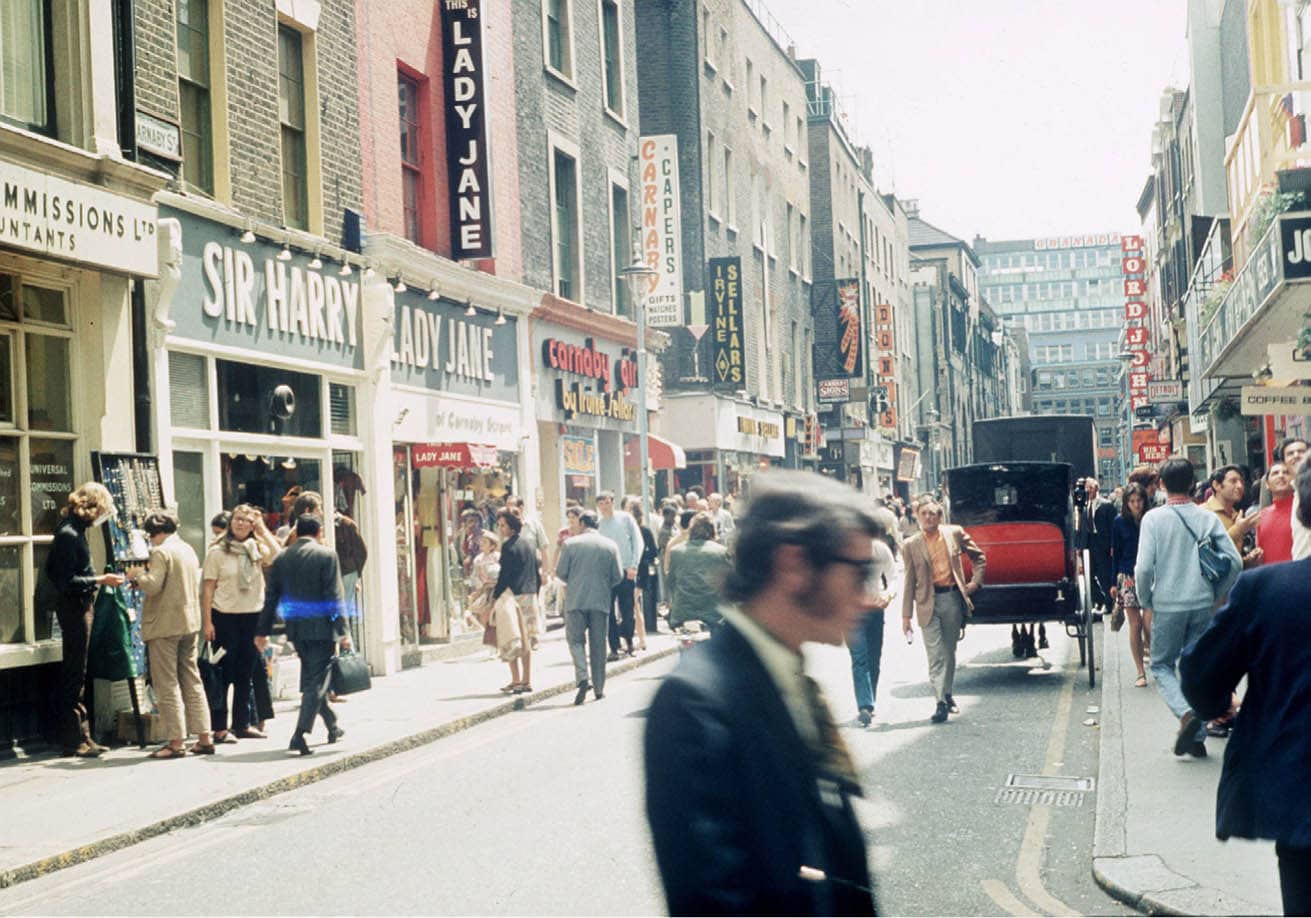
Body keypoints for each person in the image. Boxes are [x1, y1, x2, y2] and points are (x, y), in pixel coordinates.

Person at [645, 472, 880, 914]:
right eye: (858, 573)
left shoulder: (793, 679)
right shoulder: (694, 704)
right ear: (794, 564)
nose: (867, 597)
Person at [1180, 468, 1311, 917]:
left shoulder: (1265, 590)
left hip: (1300, 791)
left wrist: (1219, 704)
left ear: (1301, 515)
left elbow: (1200, 673)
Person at [1134, 457, 1241, 757]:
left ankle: (1186, 715)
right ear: (1194, 484)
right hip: (1201, 604)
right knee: (1194, 665)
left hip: (1167, 604)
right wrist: (1216, 594)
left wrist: (1147, 600)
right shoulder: (1206, 518)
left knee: (1161, 665)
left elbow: (1143, 569)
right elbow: (1233, 562)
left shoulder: (1153, 519)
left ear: (1163, 485)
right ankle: (1196, 738)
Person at [257, 514, 349, 755]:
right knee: (316, 682)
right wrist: (342, 631)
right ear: (319, 532)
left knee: (312, 680)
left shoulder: (282, 558)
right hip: (322, 630)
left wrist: (263, 631)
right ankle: (300, 734)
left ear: (296, 532)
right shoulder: (327, 555)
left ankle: (332, 725)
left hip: (296, 629)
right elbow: (333, 597)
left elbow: (271, 598)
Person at [47, 483, 124, 758]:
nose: (104, 514)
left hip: (80, 606)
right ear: (93, 506)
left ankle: (84, 736)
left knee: (79, 672)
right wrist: (99, 580)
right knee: (74, 673)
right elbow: (63, 580)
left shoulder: (75, 530)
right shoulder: (69, 533)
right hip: (74, 608)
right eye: (103, 508)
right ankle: (72, 740)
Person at [131, 512, 214, 758]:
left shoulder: (161, 552)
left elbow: (154, 584)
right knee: (191, 679)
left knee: (166, 683)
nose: (151, 540)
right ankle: (204, 736)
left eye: (150, 535)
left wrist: (137, 576)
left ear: (156, 532)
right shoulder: (186, 548)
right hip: (189, 622)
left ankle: (176, 742)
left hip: (165, 626)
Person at [901, 495, 986, 723]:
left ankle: (947, 693)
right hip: (927, 603)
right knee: (935, 655)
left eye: (933, 514)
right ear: (918, 516)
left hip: (951, 599)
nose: (929, 518)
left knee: (948, 653)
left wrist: (974, 583)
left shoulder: (954, 533)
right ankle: (940, 702)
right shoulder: (910, 545)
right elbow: (909, 582)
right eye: (924, 514)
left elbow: (979, 558)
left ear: (940, 516)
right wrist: (906, 615)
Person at [201, 504, 281, 743]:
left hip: (252, 617)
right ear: (230, 522)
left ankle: (242, 724)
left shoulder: (256, 548)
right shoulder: (217, 552)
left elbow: (278, 554)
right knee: (222, 674)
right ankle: (219, 728)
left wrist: (263, 528)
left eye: (247, 521)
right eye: (237, 519)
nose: (240, 523)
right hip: (223, 617)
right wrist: (207, 622)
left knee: (246, 672)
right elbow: (207, 590)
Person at [554, 510, 622, 705]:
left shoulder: (570, 544)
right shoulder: (610, 546)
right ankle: (599, 689)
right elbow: (617, 576)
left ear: (583, 523)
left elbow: (561, 572)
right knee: (599, 645)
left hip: (575, 600)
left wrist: (575, 582)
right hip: (600, 601)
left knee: (575, 641)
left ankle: (583, 677)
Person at [847, 507, 899, 726]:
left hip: (875, 609)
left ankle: (871, 699)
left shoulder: (881, 550)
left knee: (873, 658)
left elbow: (894, 577)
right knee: (859, 658)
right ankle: (865, 705)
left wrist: (888, 595)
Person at [492, 509, 537, 693]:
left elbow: (504, 575)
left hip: (513, 596)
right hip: (530, 595)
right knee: (526, 640)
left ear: (511, 526)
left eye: (503, 525)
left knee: (511, 637)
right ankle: (527, 680)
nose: (501, 529)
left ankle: (516, 679)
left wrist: (495, 595)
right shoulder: (528, 544)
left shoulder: (508, 546)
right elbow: (536, 570)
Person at [1111, 483, 1151, 687]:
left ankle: (1153, 654)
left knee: (1149, 623)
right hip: (1127, 576)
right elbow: (1115, 553)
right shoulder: (1119, 522)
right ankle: (1139, 671)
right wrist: (1113, 583)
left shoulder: (1151, 519)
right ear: (1127, 503)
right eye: (1132, 501)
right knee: (1135, 624)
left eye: (1139, 501)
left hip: (1151, 574)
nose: (1136, 505)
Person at [665, 512, 731, 634]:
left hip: (683, 613)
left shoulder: (676, 551)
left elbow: (670, 582)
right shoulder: (721, 552)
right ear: (712, 530)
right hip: (714, 614)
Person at [597, 490, 642, 659]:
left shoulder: (625, 519)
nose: (604, 507)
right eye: (601, 504)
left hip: (625, 569)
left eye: (607, 503)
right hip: (606, 573)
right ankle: (614, 647)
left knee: (627, 608)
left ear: (613, 503)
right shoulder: (598, 524)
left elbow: (637, 541)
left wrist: (634, 566)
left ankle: (629, 641)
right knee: (608, 611)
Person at [1204, 465, 1262, 567]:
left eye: (1242, 482)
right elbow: (1208, 553)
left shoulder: (1235, 514)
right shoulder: (1204, 513)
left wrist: (1247, 561)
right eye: (1233, 481)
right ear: (1217, 485)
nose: (1240, 486)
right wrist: (1238, 530)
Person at [1078, 479, 1116, 610]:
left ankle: (1109, 603)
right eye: (1086, 488)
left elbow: (1113, 527)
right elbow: (1081, 527)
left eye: (1090, 487)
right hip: (1088, 543)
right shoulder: (1083, 506)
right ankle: (1099, 599)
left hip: (1102, 543)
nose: (1088, 490)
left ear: (1096, 488)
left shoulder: (1106, 505)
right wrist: (1080, 546)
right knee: (1088, 575)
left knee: (1104, 573)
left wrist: (1113, 545)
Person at [630, 497, 660, 644]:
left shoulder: (642, 531)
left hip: (639, 571)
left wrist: (642, 559)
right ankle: (640, 638)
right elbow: (654, 552)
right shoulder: (637, 530)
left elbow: (653, 551)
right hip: (635, 570)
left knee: (633, 603)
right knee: (633, 604)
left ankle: (639, 638)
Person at [1278, 437, 1311, 560]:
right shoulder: (1295, 493)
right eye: (1290, 453)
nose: (1296, 455)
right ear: (1284, 463)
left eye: (1301, 451)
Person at [1256, 462, 1295, 564]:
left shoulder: (1303, 510)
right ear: (1267, 484)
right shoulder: (1262, 516)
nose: (1281, 476)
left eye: (1286, 472)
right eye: (1275, 473)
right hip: (1272, 576)